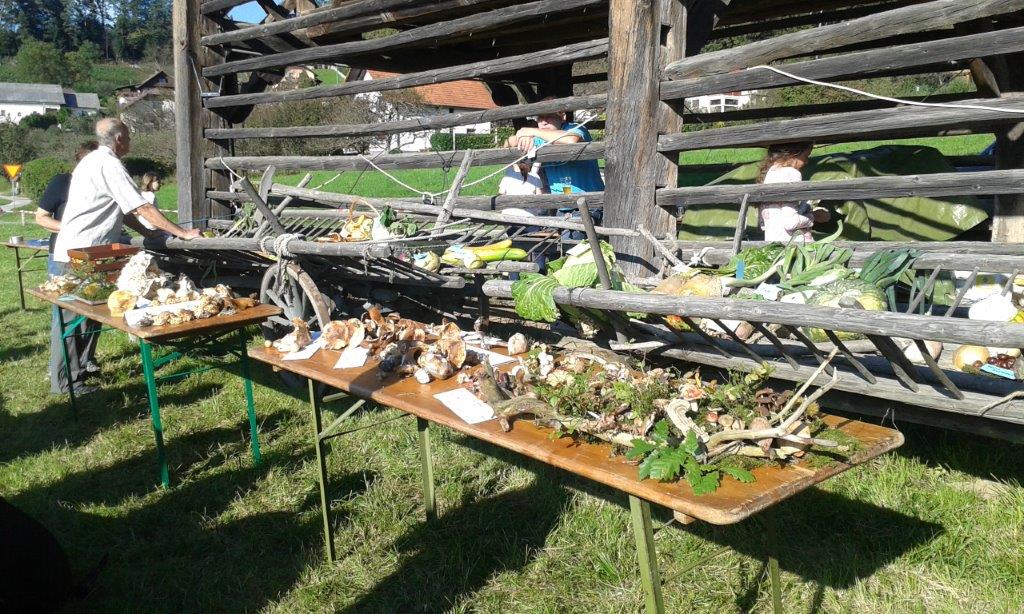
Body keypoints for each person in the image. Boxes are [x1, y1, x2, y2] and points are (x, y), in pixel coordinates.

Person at [49, 118, 201, 395]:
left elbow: (122, 209)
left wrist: (149, 233)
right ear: (119, 139)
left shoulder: (91, 161)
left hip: (87, 252)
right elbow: (140, 206)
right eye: (128, 137)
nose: (130, 141)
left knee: (90, 315)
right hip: (81, 253)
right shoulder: (109, 164)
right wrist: (182, 232)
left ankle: (79, 372)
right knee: (72, 319)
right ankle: (65, 384)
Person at [506, 102, 604, 195]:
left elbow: (571, 139)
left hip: (590, 200)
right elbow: (507, 143)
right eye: (540, 117)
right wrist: (522, 135)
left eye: (549, 116)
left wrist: (532, 131)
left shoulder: (575, 128)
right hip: (560, 202)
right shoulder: (540, 138)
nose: (544, 122)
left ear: (562, 117)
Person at [35, 141, 99, 273]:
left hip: (95, 252)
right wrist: (72, 229)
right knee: (64, 287)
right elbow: (41, 218)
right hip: (64, 256)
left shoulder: (101, 185)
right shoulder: (62, 182)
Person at [756, 142, 829, 243]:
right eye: (806, 156)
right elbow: (791, 222)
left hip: (773, 243)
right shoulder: (792, 173)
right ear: (793, 154)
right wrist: (814, 216)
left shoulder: (771, 173)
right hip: (794, 245)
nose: (806, 162)